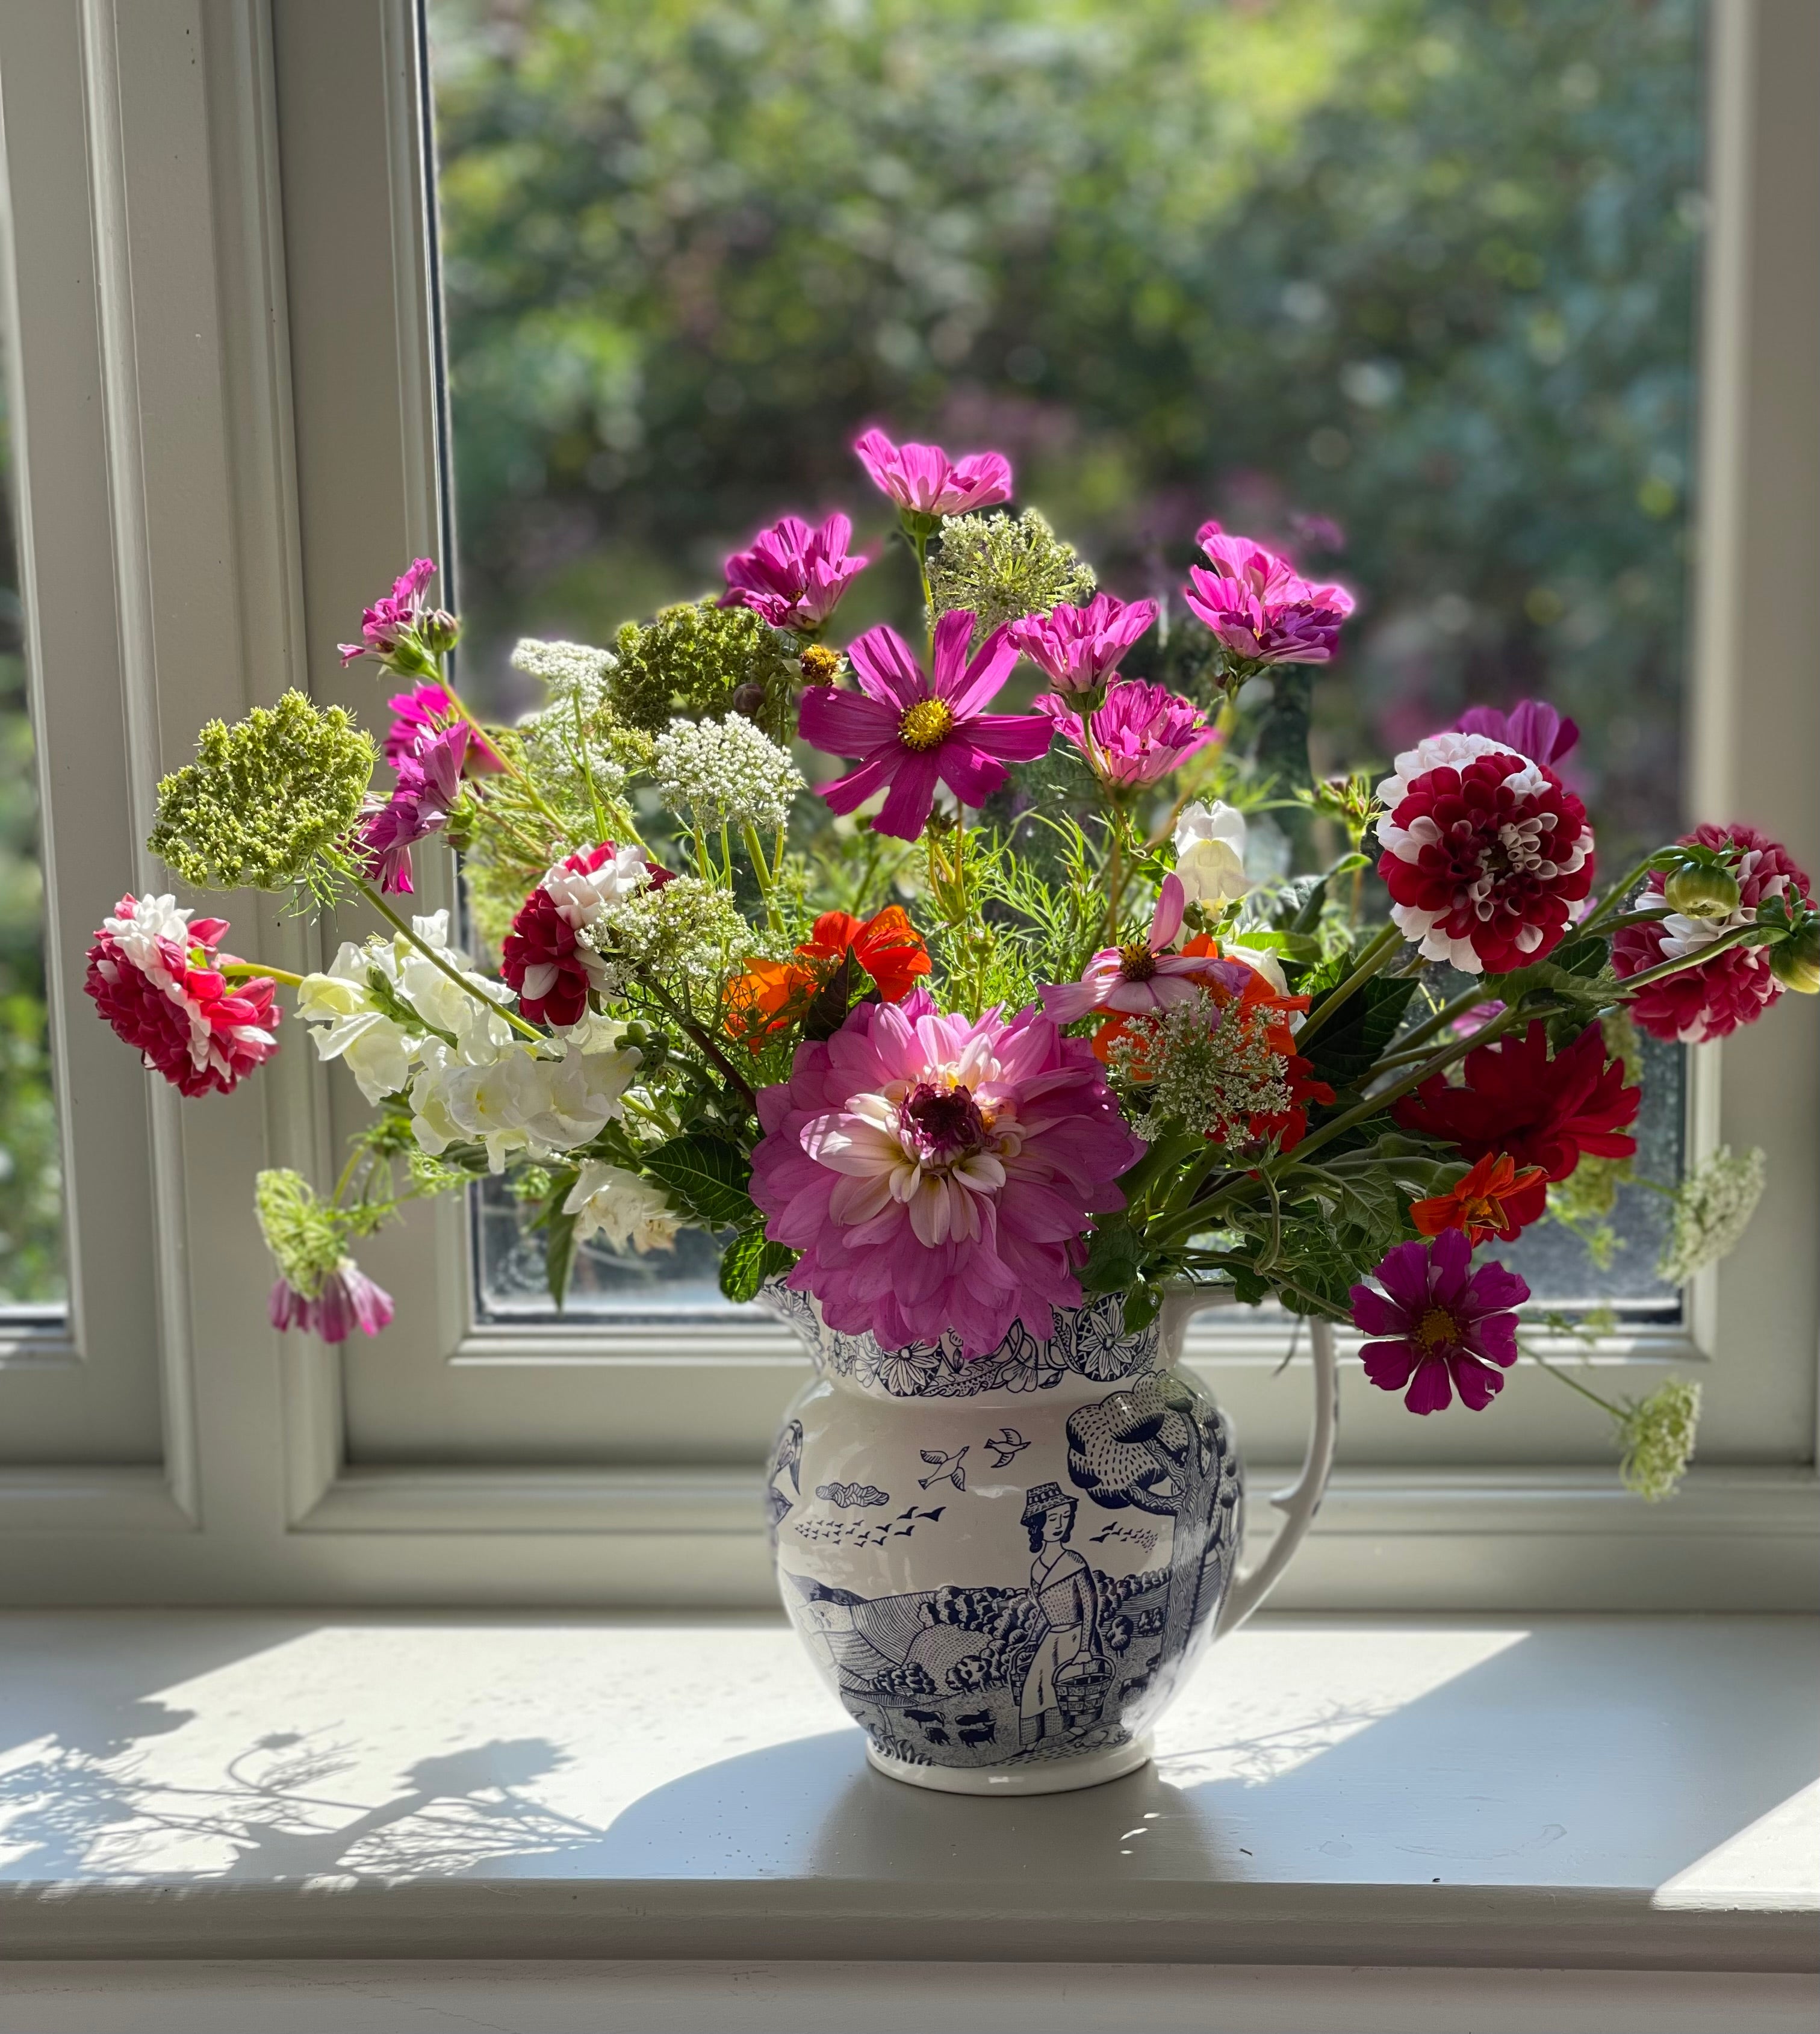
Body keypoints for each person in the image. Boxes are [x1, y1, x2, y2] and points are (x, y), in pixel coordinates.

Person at [1016, 1482, 1101, 1749]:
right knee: (1037, 1686)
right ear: (1037, 1525)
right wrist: (1032, 1641)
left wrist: (1086, 1648)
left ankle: (1069, 1732)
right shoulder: (1036, 1568)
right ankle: (1036, 1738)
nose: (1060, 1524)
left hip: (1078, 1636)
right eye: (1052, 1518)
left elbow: (1090, 1605)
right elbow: (1045, 1611)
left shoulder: (1074, 1562)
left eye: (1066, 1516)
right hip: (1052, 1637)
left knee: (1072, 1685)